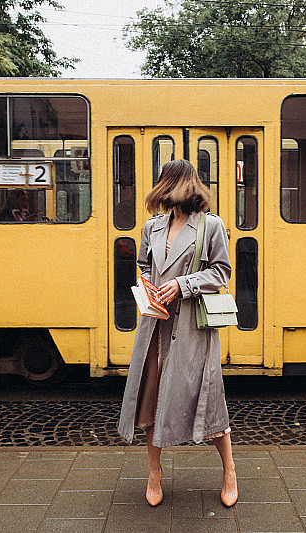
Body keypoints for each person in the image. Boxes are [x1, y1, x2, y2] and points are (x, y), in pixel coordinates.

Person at [117, 159, 237, 507]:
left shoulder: (211, 225)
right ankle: (154, 472)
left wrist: (183, 285)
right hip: (156, 324)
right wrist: (147, 288)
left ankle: (229, 470)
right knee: (151, 398)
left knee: (208, 400)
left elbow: (221, 272)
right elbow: (144, 266)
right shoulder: (152, 227)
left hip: (192, 328)